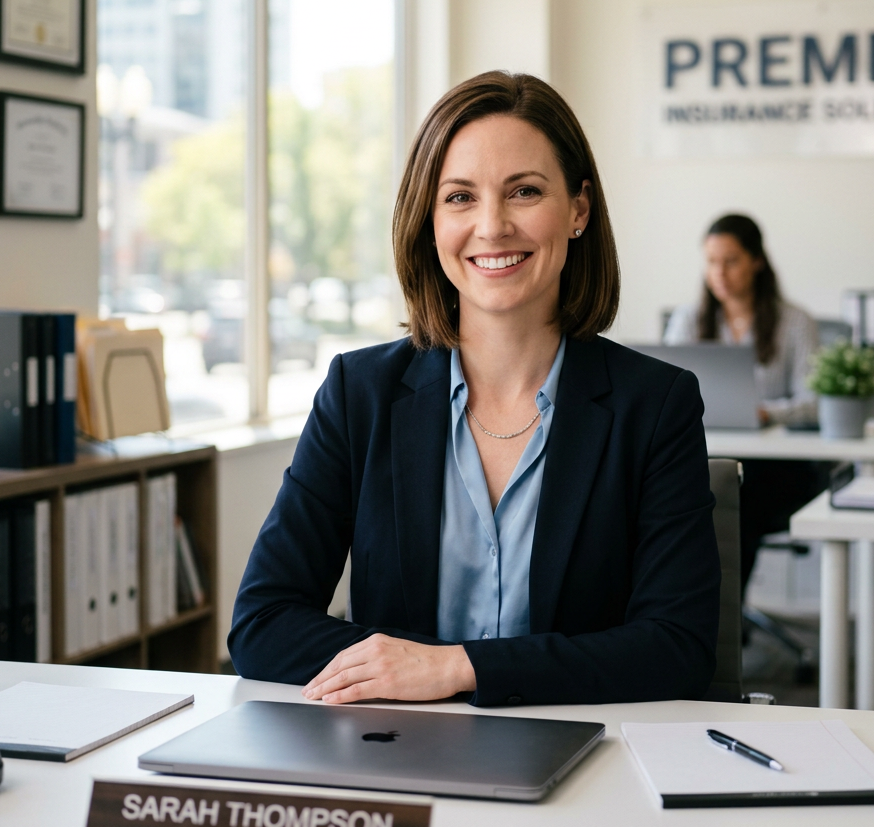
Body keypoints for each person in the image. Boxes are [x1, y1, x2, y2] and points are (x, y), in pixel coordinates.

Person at [228, 71, 721, 707]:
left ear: (578, 210)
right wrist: (404, 671)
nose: (491, 226)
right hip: (395, 754)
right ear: (428, 221)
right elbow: (262, 623)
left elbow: (676, 649)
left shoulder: (655, 406)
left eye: (524, 191)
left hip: (583, 755)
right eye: (459, 197)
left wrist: (457, 668)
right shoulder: (360, 395)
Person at [664, 213, 828, 593]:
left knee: (733, 501)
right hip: (703, 455)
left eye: (731, 261)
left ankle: (724, 621)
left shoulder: (796, 322)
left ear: (757, 261)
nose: (719, 272)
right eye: (711, 262)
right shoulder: (689, 320)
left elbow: (814, 401)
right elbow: (664, 392)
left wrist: (767, 413)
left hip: (776, 469)